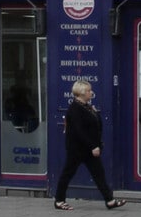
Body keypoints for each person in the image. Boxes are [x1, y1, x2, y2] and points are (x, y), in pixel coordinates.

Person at [53, 81, 126, 210]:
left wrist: (97, 143)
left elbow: (95, 125)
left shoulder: (87, 106)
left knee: (99, 174)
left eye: (90, 90)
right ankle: (59, 200)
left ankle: (109, 200)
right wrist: (93, 146)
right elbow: (79, 131)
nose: (91, 92)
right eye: (88, 90)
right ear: (81, 93)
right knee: (68, 173)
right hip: (77, 149)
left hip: (88, 149)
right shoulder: (75, 109)